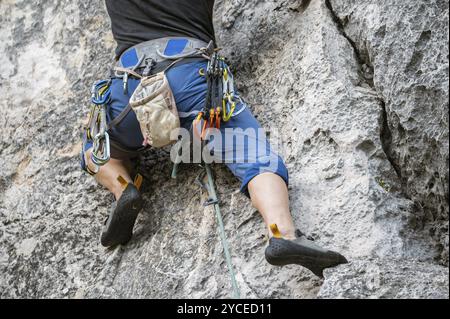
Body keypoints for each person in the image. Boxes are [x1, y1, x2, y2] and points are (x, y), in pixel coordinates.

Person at [80, 0, 347, 278]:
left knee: (97, 149)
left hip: (127, 89)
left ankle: (124, 189)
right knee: (253, 156)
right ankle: (283, 233)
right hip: (190, 81)